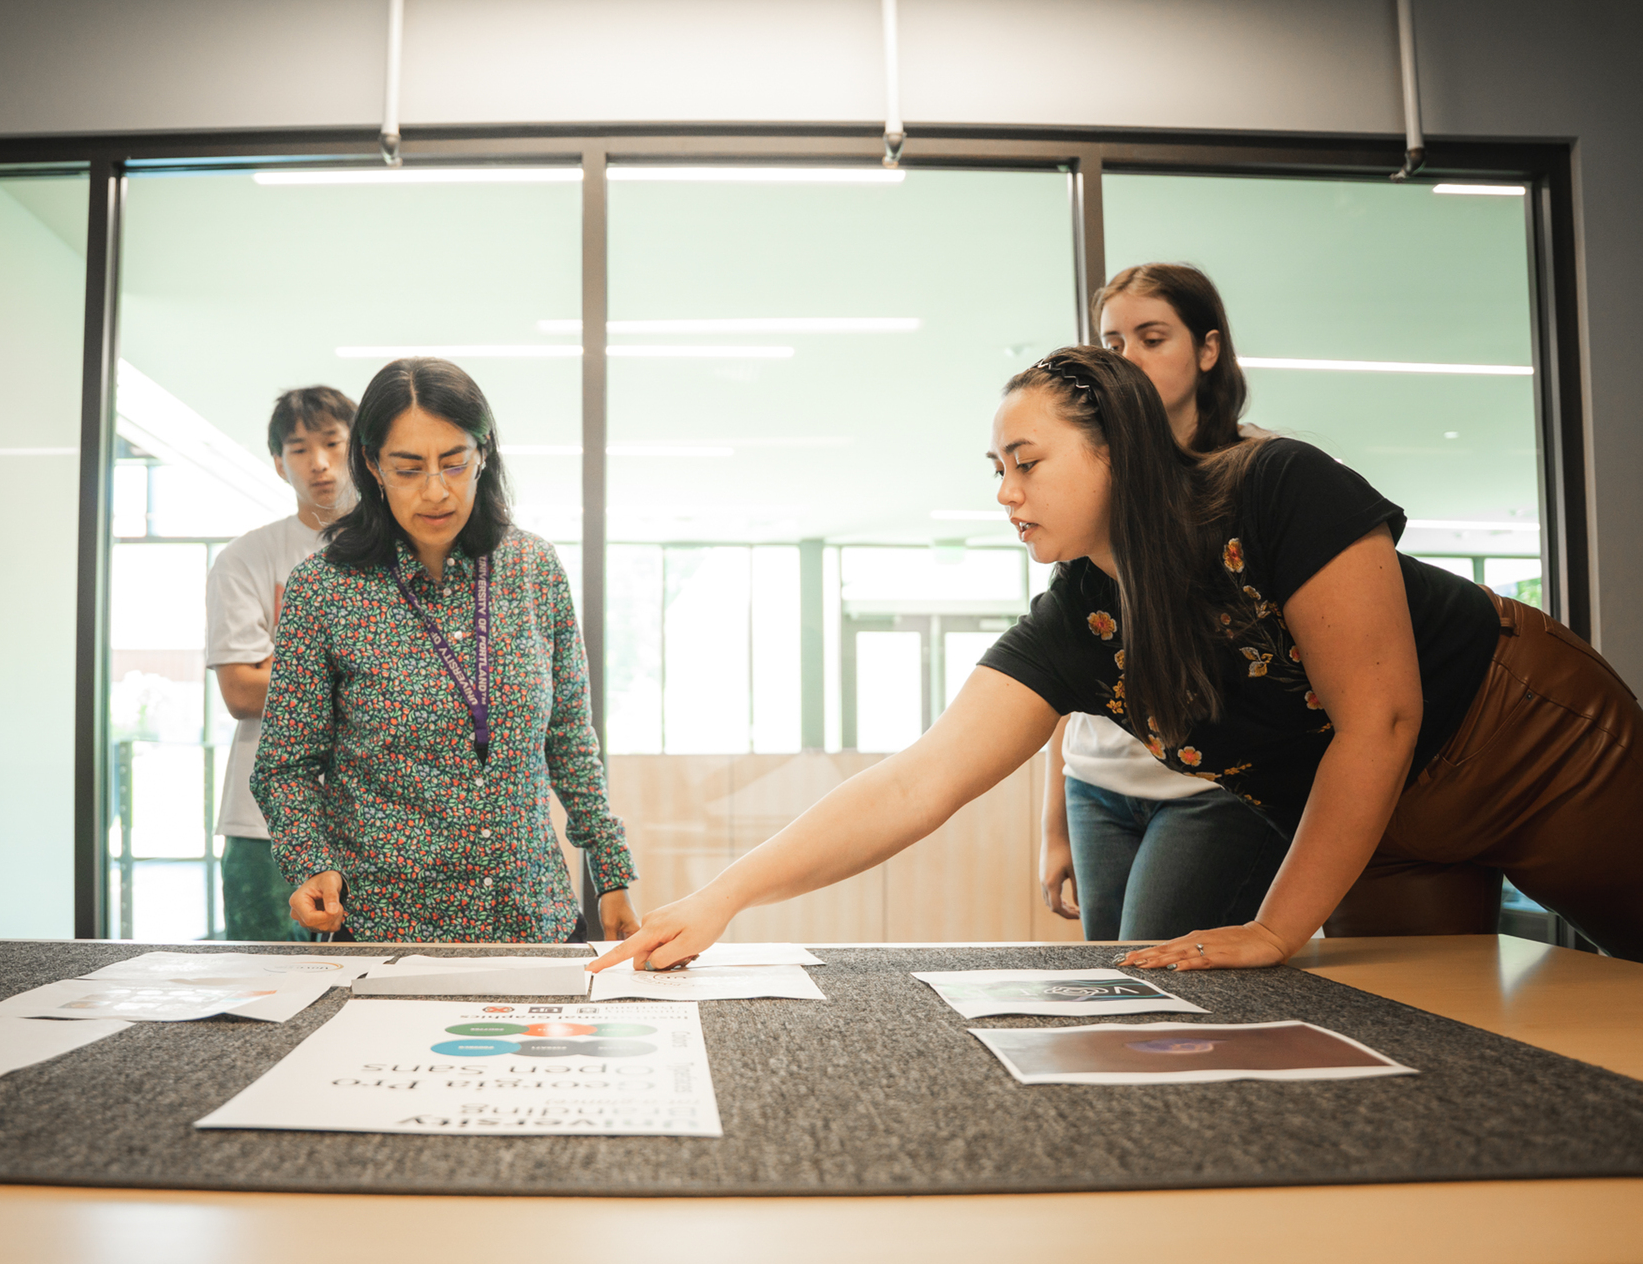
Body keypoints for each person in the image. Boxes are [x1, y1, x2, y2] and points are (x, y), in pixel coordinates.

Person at [593, 344, 1643, 976]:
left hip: (1531, 744)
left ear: (1116, 447)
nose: (1005, 492)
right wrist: (723, 895)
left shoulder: (1276, 487)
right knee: (1436, 1034)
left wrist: (1277, 925)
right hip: (1389, 828)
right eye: (996, 468)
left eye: (1027, 461)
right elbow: (919, 779)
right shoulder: (1077, 622)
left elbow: (1382, 716)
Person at [252, 357, 641, 943]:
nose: (436, 492)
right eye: (408, 469)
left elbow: (568, 738)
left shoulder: (534, 569)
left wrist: (610, 873)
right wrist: (311, 861)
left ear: (483, 454)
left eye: (454, 463)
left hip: (533, 919)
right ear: (372, 466)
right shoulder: (324, 590)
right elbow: (285, 763)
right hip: (388, 931)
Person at [1042, 263, 1294, 941]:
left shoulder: (1264, 473)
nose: (1130, 359)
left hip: (1211, 794)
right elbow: (1069, 663)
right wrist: (1056, 823)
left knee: (1162, 986)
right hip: (1096, 786)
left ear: (1207, 350)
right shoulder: (1094, 483)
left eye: (1152, 338)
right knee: (1115, 992)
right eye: (1113, 343)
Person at [206, 386, 357, 940]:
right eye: (298, 449)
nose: (317, 463)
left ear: (359, 449)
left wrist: (293, 667)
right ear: (277, 463)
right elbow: (242, 691)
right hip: (261, 822)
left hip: (369, 820)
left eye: (332, 443)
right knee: (260, 995)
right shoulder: (246, 558)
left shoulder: (400, 556)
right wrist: (364, 673)